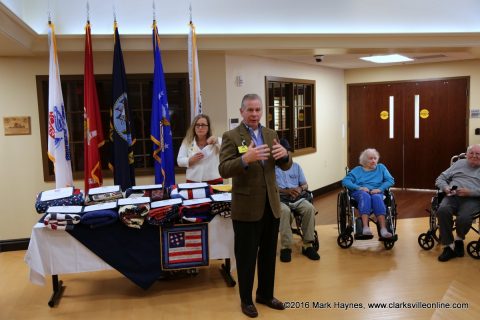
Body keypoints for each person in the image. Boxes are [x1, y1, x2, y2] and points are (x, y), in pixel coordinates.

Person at [219, 93, 292, 318]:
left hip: (271, 205)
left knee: (269, 255)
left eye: (258, 110)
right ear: (241, 112)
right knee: (247, 257)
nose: (254, 114)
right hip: (246, 208)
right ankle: (246, 300)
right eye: (249, 110)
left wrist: (285, 156)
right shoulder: (231, 136)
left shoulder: (271, 134)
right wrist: (245, 159)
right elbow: (223, 169)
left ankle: (265, 295)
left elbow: (286, 166)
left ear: (263, 111)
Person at [276, 139, 319, 262]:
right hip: (281, 199)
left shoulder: (296, 167)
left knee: (309, 209)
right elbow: (272, 188)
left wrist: (299, 189)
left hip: (298, 198)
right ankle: (286, 247)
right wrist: (287, 191)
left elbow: (305, 184)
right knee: (284, 212)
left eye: (286, 152)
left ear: (288, 152)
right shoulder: (273, 169)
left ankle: (308, 245)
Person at [435, 144, 480, 262]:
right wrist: (445, 188)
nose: (474, 156)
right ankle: (448, 246)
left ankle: (459, 239)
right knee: (442, 210)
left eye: (478, 154)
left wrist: (470, 192)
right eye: (471, 153)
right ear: (466, 154)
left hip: (473, 199)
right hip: (452, 196)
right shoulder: (459, 163)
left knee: (464, 218)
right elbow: (440, 178)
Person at [342, 148, 395, 238]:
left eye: (375, 158)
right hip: (360, 192)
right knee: (365, 196)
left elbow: (390, 180)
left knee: (377, 198)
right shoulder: (358, 170)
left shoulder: (381, 168)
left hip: (376, 192)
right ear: (365, 160)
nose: (373, 160)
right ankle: (365, 227)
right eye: (371, 158)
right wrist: (359, 187)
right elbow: (345, 181)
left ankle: (383, 229)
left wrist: (379, 189)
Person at [177, 114, 223, 184]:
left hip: (214, 181)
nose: (200, 127)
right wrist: (189, 160)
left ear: (208, 127)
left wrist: (217, 140)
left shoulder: (216, 141)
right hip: (193, 181)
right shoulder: (187, 142)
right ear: (194, 127)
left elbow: (227, 147)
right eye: (197, 125)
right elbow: (179, 161)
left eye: (203, 125)